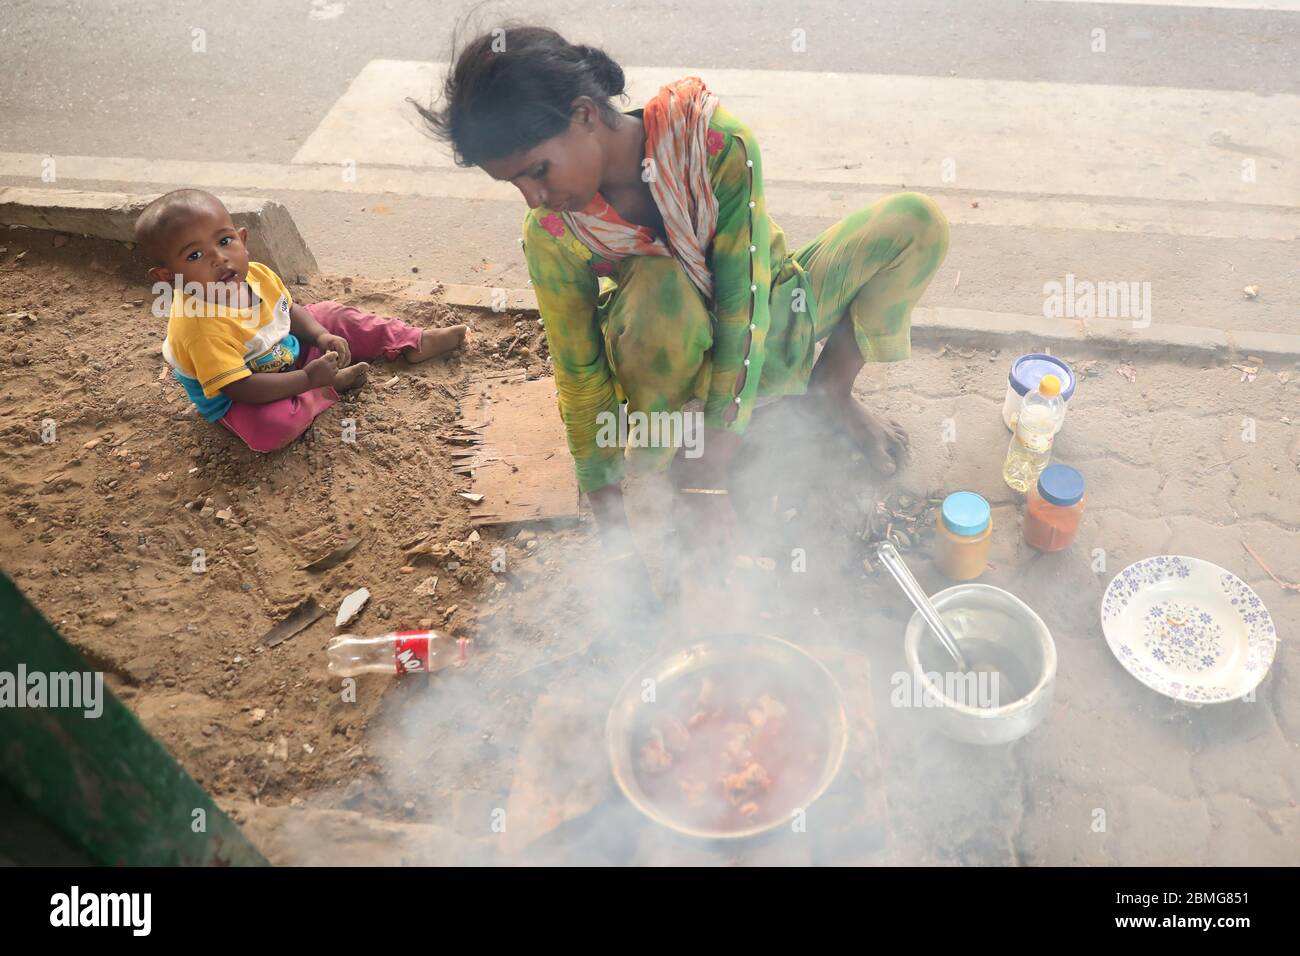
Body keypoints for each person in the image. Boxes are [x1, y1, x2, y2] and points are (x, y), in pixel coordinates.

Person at [419, 26, 949, 607]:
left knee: (916, 221)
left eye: (537, 170)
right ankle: (681, 444)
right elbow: (580, 376)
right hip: (670, 364)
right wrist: (619, 541)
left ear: (585, 114)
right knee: (662, 282)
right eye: (514, 183)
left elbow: (744, 311)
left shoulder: (713, 144)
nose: (532, 197)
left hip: (772, 312)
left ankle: (826, 399)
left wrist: (710, 481)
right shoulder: (551, 230)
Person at [136, 189, 467, 452]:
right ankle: (327, 387)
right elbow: (240, 387)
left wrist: (322, 336)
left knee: (331, 315)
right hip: (242, 392)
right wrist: (308, 379)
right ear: (168, 277)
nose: (219, 258)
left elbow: (287, 310)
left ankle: (411, 340)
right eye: (195, 256)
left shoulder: (256, 275)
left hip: (283, 353)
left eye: (224, 241)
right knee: (270, 427)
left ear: (243, 240)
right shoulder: (199, 327)